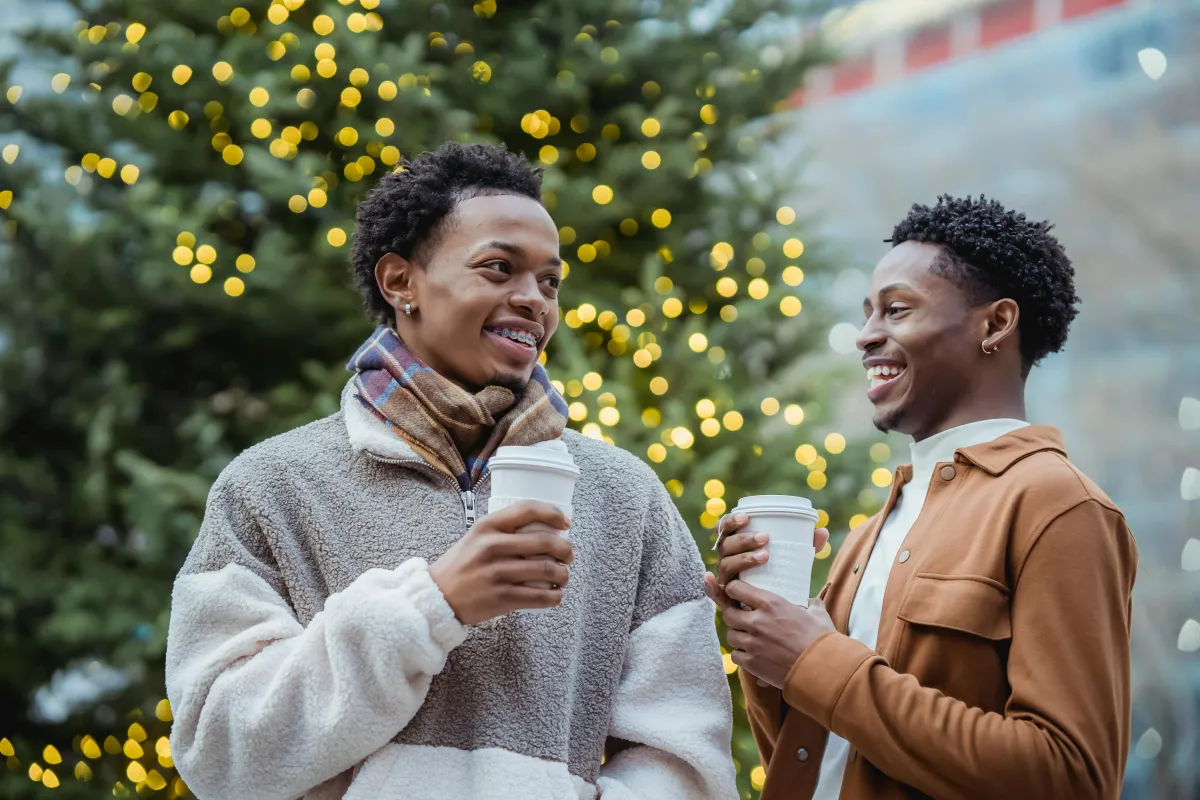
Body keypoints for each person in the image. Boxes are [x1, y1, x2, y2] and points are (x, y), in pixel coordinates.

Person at [166, 142, 737, 800]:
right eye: (499, 268)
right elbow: (218, 751)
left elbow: (685, 756)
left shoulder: (622, 494)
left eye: (549, 281)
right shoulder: (270, 487)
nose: (534, 300)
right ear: (399, 282)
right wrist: (432, 606)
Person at [706, 195, 1138, 799]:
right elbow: (825, 759)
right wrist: (767, 644)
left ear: (994, 324)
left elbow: (1070, 777)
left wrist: (818, 662)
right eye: (866, 314)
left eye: (897, 310)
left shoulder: (1058, 506)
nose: (865, 336)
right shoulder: (870, 532)